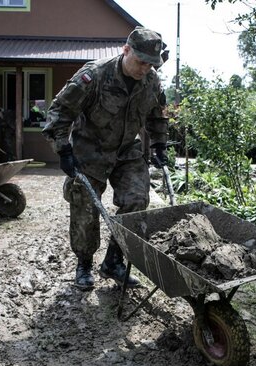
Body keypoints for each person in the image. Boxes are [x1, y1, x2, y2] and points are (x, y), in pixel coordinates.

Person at [42, 26, 169, 291]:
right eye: (141, 62)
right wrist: (63, 150)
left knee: (137, 201)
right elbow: (59, 111)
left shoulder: (152, 80)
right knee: (85, 208)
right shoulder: (95, 75)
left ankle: (114, 261)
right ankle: (84, 264)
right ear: (126, 50)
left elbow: (157, 113)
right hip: (90, 151)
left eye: (151, 64)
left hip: (126, 151)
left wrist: (159, 144)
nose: (145, 68)